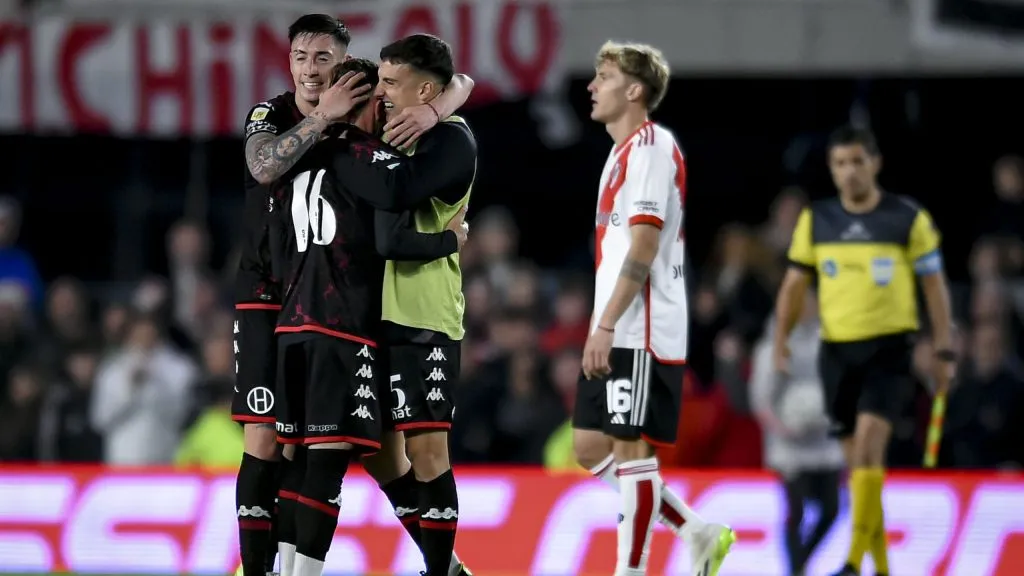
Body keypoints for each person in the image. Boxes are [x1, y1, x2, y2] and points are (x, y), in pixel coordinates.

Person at [233, 14, 475, 576]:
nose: (311, 69)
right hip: (270, 293)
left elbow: (457, 81)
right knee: (273, 444)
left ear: (343, 65)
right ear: (288, 61)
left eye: (324, 59)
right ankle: (261, 567)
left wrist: (439, 105)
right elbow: (263, 166)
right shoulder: (275, 115)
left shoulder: (375, 124)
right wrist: (326, 120)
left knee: (373, 454)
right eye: (300, 57)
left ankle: (444, 565)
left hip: (345, 308)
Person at [571, 40, 735, 576]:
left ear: (635, 90)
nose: (592, 86)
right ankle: (696, 530)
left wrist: (606, 323)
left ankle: (632, 570)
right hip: (618, 326)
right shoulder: (620, 153)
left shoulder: (650, 148)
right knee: (589, 446)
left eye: (604, 76)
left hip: (639, 326)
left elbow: (643, 249)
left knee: (630, 449)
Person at [772, 125, 956, 576]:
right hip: (837, 354)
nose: (849, 171)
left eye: (857, 161)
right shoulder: (817, 221)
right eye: (839, 163)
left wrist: (945, 346)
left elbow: (934, 285)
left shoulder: (907, 219)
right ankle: (881, 565)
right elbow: (794, 285)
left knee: (872, 448)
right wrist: (781, 337)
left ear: (874, 163)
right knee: (859, 467)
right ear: (832, 170)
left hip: (888, 350)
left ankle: (855, 561)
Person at [328, 34, 477, 576]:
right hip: (375, 317)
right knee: (381, 455)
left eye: (392, 84)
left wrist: (448, 243)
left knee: (428, 455)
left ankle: (438, 571)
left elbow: (392, 229)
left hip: (422, 314)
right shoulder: (403, 133)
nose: (383, 94)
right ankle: (449, 565)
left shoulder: (453, 143)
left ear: (427, 89)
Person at [751, 291, 843, 576]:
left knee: (831, 510)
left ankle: (801, 564)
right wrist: (784, 428)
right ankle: (796, 569)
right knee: (797, 512)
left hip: (824, 444)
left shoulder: (828, 343)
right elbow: (761, 399)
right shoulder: (774, 345)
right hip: (789, 448)